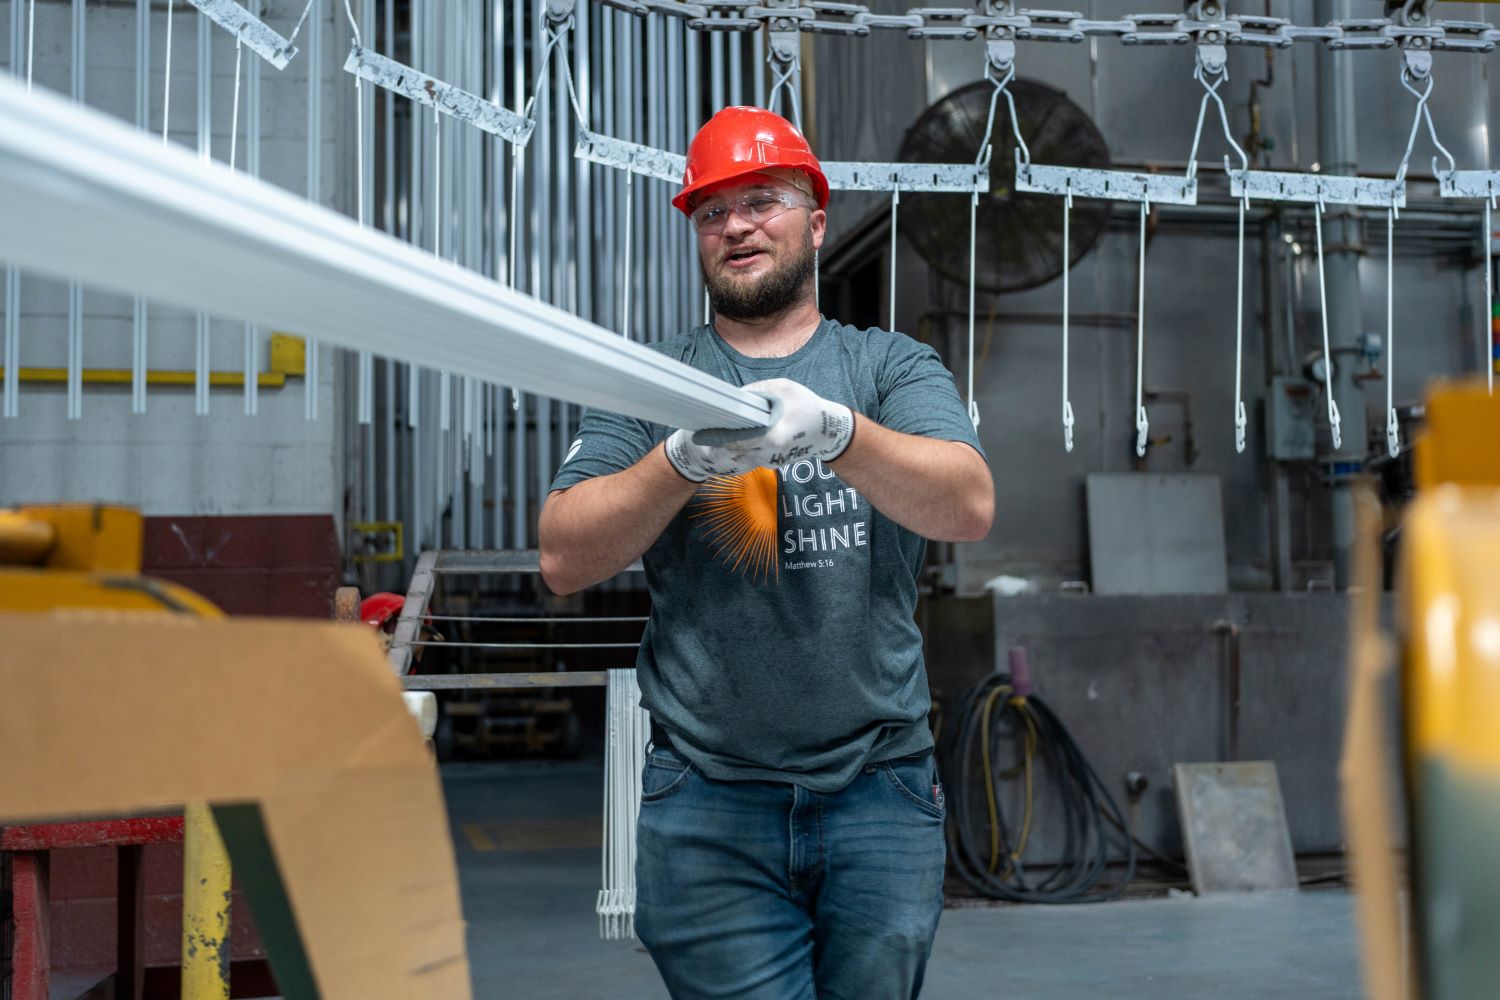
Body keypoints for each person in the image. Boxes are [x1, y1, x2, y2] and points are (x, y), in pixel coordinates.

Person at [538, 106, 993, 1000]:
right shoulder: (648, 382)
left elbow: (968, 503)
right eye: (712, 212)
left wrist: (837, 433)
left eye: (763, 202)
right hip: (709, 796)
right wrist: (678, 459)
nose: (737, 225)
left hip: (880, 790)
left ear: (816, 221)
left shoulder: (889, 369)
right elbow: (563, 556)